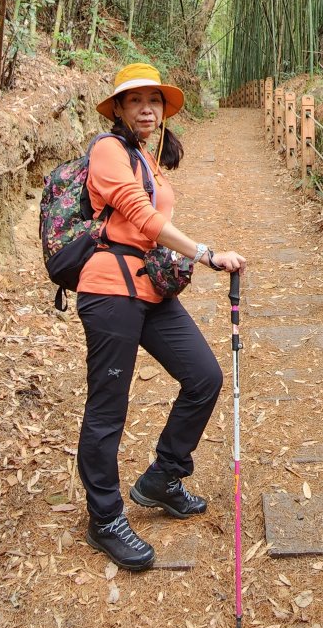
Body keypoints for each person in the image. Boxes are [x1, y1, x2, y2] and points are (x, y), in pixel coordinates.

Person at [76, 62, 246, 571]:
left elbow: (152, 227)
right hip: (110, 291)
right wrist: (205, 254)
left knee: (204, 377)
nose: (147, 109)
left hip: (150, 288)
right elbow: (142, 217)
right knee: (108, 408)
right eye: (135, 100)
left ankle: (163, 476)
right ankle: (105, 518)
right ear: (118, 109)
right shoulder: (107, 150)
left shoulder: (145, 157)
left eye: (154, 100)